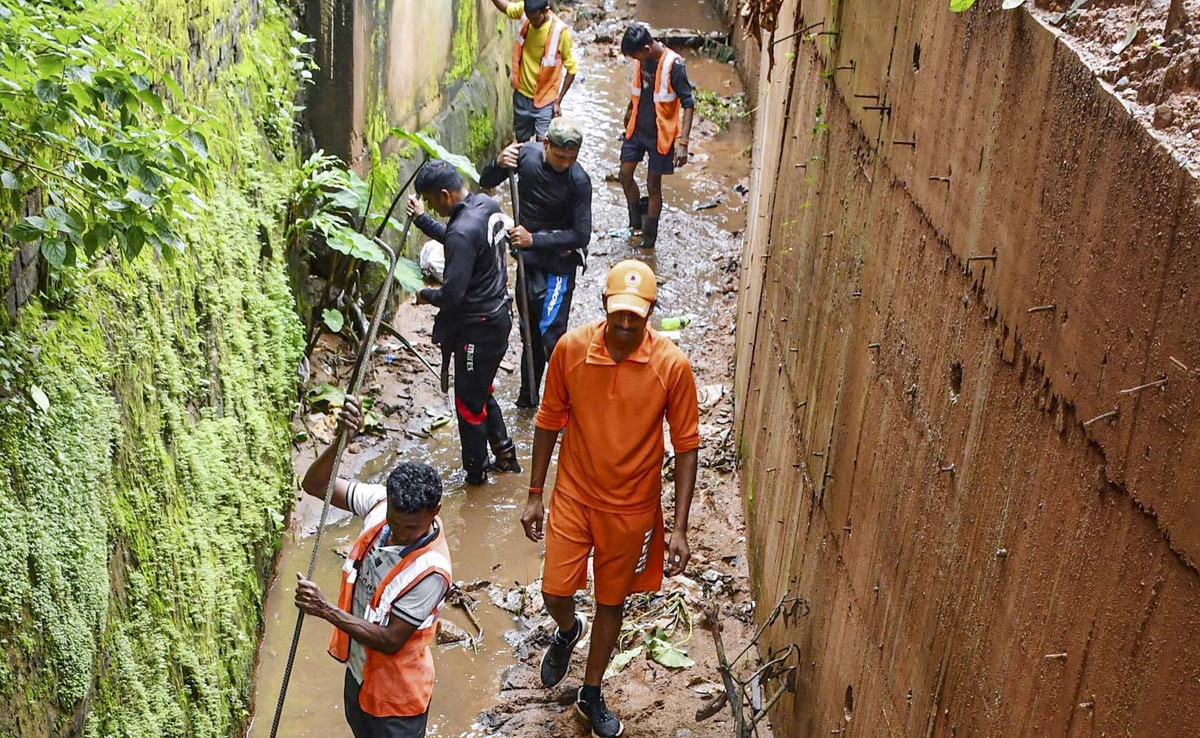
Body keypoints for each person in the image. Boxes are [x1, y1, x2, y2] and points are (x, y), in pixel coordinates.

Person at [519, 260, 700, 737]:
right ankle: (566, 630)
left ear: (650, 312)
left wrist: (679, 527)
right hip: (575, 493)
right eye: (618, 313)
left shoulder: (671, 367)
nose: (625, 324)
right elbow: (547, 421)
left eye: (635, 317)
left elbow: (686, 446)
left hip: (633, 508)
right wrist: (535, 494)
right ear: (604, 305)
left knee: (611, 602)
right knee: (555, 589)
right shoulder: (572, 350)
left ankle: (591, 690)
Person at [294, 396, 451, 738]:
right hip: (360, 676)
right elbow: (316, 486)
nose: (398, 533)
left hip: (397, 701)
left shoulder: (432, 573)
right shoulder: (380, 503)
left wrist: (324, 609)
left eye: (411, 528)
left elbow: (391, 640)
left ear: (434, 511)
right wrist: (341, 441)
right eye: (395, 523)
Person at [405, 159, 520, 485]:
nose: (430, 205)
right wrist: (423, 220)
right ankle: (505, 454)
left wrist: (426, 295)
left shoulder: (462, 231)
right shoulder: (486, 204)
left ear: (444, 194)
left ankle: (476, 475)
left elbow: (452, 295)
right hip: (498, 317)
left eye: (430, 201)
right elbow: (460, 241)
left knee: (468, 403)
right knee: (479, 389)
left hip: (476, 328)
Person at [479, 117, 592, 408]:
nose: (565, 162)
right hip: (527, 264)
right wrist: (498, 163)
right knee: (528, 332)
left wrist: (535, 239)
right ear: (545, 145)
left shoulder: (578, 182)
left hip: (559, 267)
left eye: (572, 157)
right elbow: (486, 181)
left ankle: (564, 403)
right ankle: (528, 398)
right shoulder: (525, 157)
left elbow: (581, 235)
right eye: (560, 155)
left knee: (552, 337)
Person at [618, 22, 695, 249]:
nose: (635, 60)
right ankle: (635, 221)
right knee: (624, 174)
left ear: (646, 49)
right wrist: (628, 111)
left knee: (653, 184)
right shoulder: (642, 60)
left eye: (635, 56)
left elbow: (688, 104)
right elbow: (638, 90)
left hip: (661, 136)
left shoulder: (674, 65)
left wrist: (683, 143)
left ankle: (649, 238)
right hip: (637, 130)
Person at [491, 0, 577, 141]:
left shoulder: (560, 32)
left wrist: (558, 101)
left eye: (536, 19)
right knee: (521, 141)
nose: (532, 23)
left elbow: (572, 69)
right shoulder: (527, 13)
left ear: (546, 10)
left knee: (543, 142)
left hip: (545, 99)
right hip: (522, 95)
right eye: (529, 18)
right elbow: (507, 8)